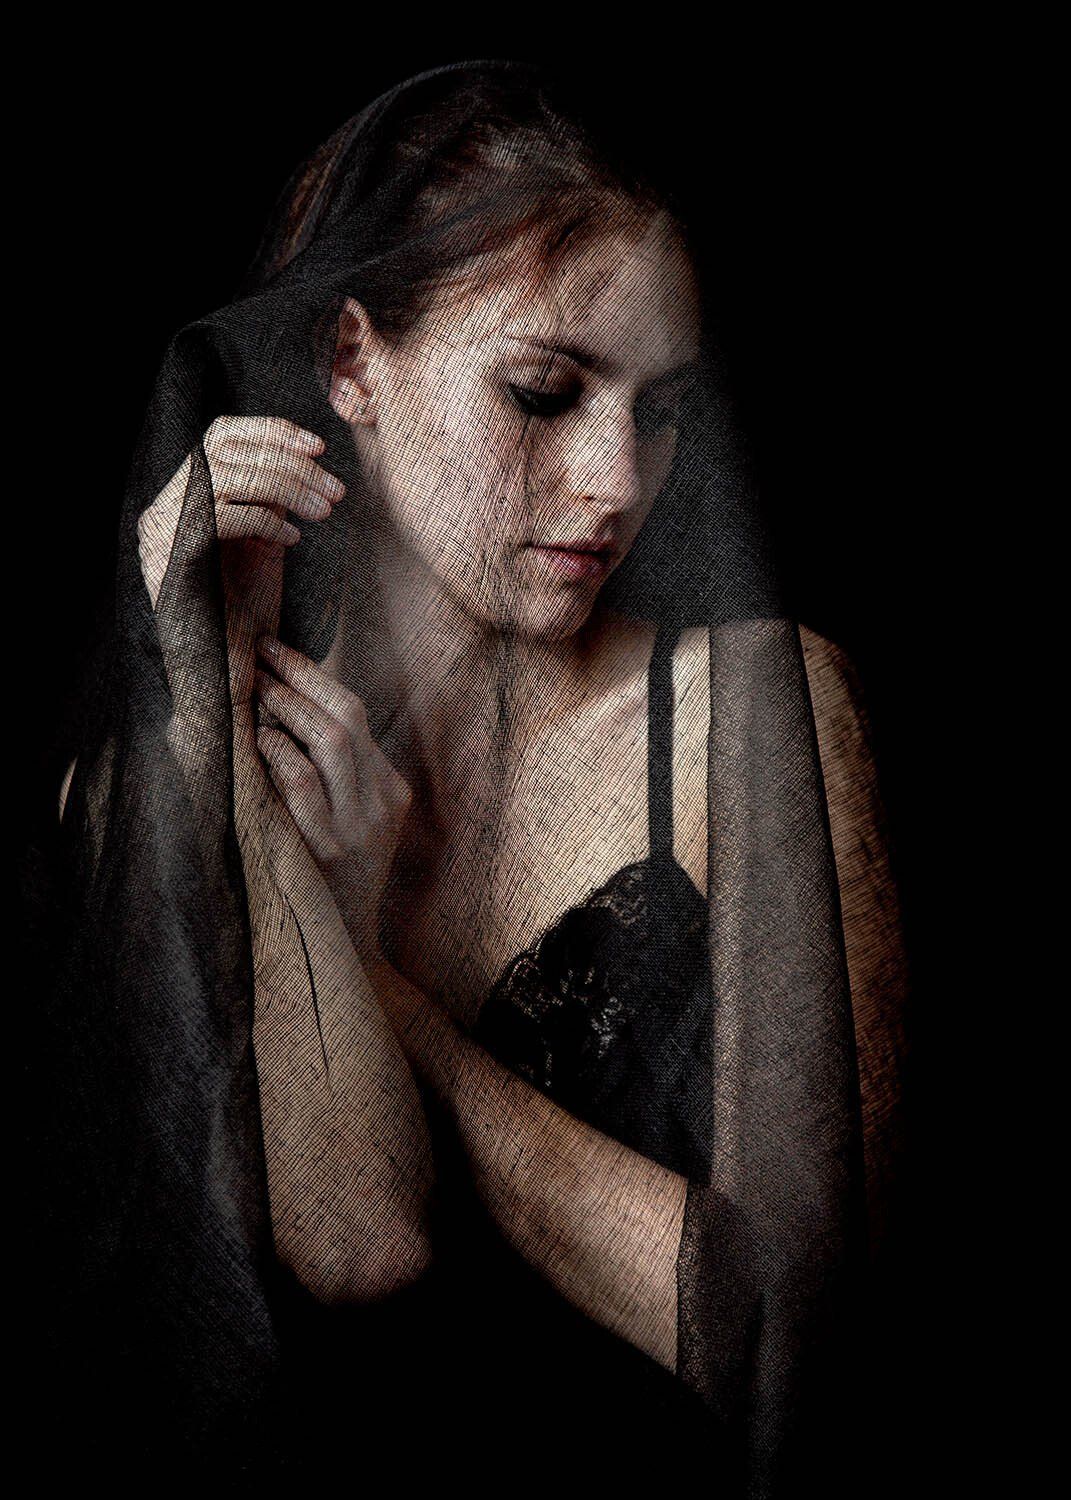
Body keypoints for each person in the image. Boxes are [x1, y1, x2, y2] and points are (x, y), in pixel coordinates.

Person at [46, 60, 907, 1491]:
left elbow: (795, 1347)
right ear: (351, 363)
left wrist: (383, 996)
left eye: (659, 409)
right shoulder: (151, 784)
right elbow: (357, 1240)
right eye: (545, 392)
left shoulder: (753, 718)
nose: (619, 483)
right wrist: (210, 703)